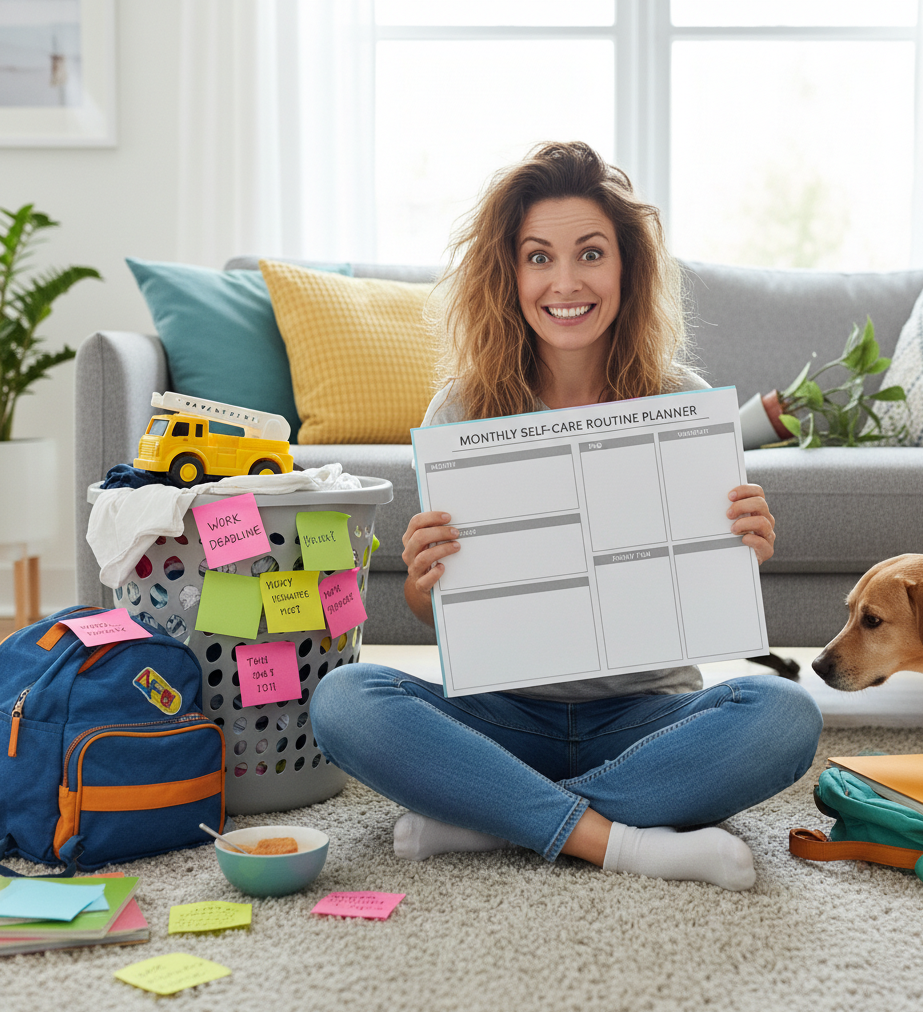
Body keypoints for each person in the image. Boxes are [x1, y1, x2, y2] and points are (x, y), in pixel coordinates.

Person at [311, 141, 822, 890]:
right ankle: (622, 842)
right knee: (343, 700)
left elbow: (705, 581)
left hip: (647, 717)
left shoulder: (681, 400)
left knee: (786, 714)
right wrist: (423, 581)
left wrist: (742, 545)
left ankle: (494, 816)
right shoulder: (462, 408)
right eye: (539, 257)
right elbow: (434, 611)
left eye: (590, 253)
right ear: (510, 274)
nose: (566, 281)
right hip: (503, 713)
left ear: (626, 268)